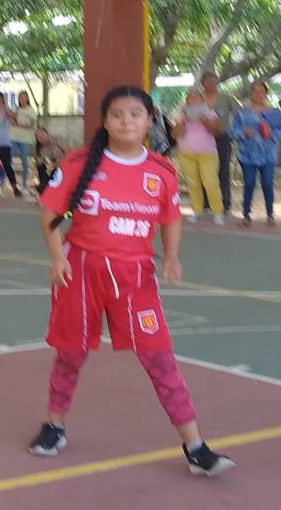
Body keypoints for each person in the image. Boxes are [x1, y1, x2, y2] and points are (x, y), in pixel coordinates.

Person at [27, 85, 234, 477]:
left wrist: (171, 256)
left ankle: (194, 445)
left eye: (135, 114)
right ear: (105, 121)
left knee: (159, 358)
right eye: (117, 114)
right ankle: (55, 425)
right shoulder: (78, 164)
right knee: (71, 353)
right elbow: (50, 214)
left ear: (149, 120)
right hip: (81, 272)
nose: (126, 121)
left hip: (135, 276)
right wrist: (57, 257)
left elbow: (170, 218)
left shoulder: (160, 172)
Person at [231, 80, 281, 227]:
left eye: (262, 91)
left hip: (268, 155)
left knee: (267, 184)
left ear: (266, 94)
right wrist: (244, 132)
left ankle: (270, 214)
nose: (258, 94)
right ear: (250, 94)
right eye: (255, 91)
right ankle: (246, 215)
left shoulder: (275, 113)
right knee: (249, 183)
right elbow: (232, 132)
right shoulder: (241, 114)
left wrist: (271, 133)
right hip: (247, 156)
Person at [171, 87, 222, 222]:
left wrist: (205, 121)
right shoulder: (181, 114)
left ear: (201, 100)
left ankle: (217, 212)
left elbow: (216, 132)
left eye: (195, 97)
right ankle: (197, 212)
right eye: (189, 97)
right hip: (186, 153)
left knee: (210, 182)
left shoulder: (210, 113)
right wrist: (182, 122)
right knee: (193, 183)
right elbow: (175, 135)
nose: (192, 99)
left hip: (208, 153)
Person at [199, 70, 240, 220]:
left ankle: (226, 204)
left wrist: (234, 132)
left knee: (223, 171)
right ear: (202, 82)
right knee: (204, 172)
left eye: (213, 79)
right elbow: (187, 113)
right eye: (207, 80)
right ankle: (206, 203)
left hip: (222, 138)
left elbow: (240, 113)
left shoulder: (226, 98)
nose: (210, 83)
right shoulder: (198, 98)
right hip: (202, 140)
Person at [10, 91, 38, 196]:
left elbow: (31, 124)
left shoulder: (31, 110)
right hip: (13, 137)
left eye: (23, 97)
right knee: (8, 160)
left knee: (25, 162)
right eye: (19, 97)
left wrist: (19, 124)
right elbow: (12, 119)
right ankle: (7, 182)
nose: (21, 99)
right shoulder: (15, 109)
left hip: (25, 139)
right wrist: (15, 120)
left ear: (27, 98)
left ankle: (24, 185)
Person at [34, 126, 66, 192]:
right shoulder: (42, 150)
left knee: (53, 171)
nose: (42, 136)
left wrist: (59, 162)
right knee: (42, 167)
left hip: (64, 164)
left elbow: (68, 152)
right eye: (39, 136)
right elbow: (41, 162)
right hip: (53, 167)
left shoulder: (57, 139)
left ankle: (44, 187)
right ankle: (44, 187)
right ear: (38, 140)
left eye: (43, 133)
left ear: (47, 133)